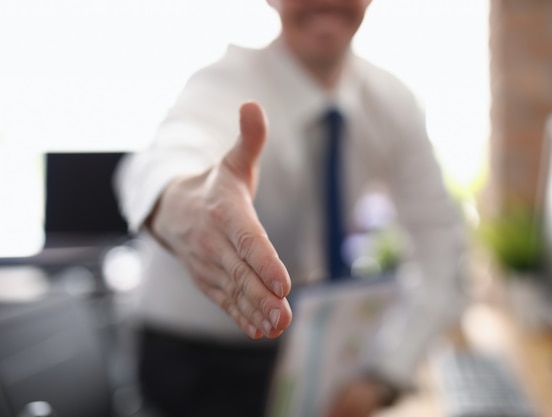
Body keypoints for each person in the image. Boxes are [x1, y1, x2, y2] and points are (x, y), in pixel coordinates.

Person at [115, 0, 466, 416]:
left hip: (313, 350)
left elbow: (441, 247)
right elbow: (166, 155)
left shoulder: (393, 101)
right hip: (193, 362)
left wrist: (389, 373)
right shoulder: (223, 84)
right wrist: (180, 201)